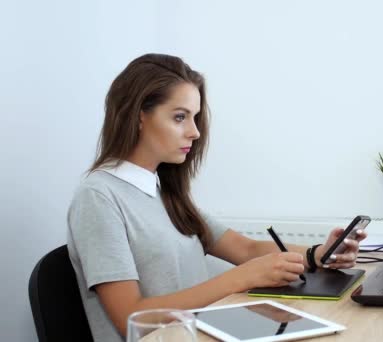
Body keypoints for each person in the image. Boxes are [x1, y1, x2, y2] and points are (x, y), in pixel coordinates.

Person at [67, 53, 367, 341]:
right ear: (139, 115)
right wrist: (241, 278)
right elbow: (131, 317)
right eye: (180, 117)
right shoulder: (98, 198)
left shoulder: (162, 191)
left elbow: (246, 249)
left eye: (195, 117)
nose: (195, 132)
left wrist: (319, 254)